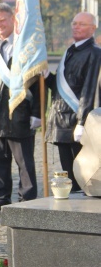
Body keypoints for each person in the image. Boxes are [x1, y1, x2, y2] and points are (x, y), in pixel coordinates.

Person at [0, 3, 40, 216]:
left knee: (24, 163)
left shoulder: (26, 45)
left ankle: (27, 202)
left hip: (19, 113)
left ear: (13, 20)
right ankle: (1, 199)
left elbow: (36, 80)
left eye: (3, 20)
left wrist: (37, 113)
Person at [45, 11, 101, 192]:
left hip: (78, 121)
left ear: (93, 28)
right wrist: (46, 77)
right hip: (61, 120)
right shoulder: (70, 50)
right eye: (74, 23)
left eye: (82, 24)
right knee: (67, 169)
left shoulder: (94, 53)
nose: (76, 26)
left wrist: (82, 122)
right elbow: (60, 87)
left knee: (83, 171)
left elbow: (89, 89)